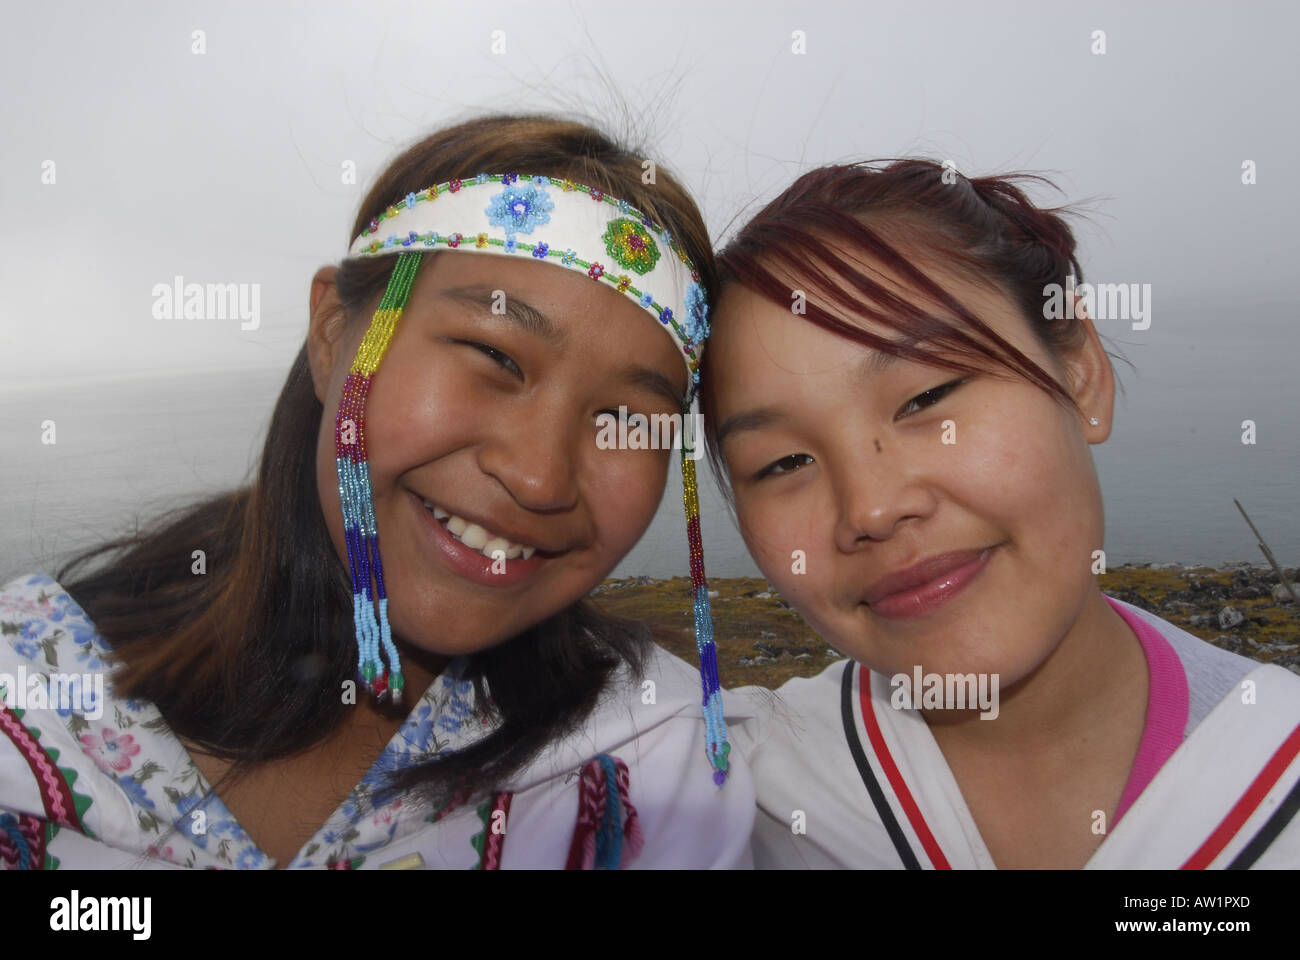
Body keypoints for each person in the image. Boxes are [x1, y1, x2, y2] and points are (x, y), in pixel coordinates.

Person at [0, 114, 753, 870]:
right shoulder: (28, 696)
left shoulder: (655, 768)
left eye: (628, 420)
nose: (538, 476)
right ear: (332, 334)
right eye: (493, 353)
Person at [702, 159, 1300, 869]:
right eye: (782, 463)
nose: (872, 508)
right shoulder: (729, 806)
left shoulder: (1272, 765)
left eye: (928, 397)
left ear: (1081, 373)